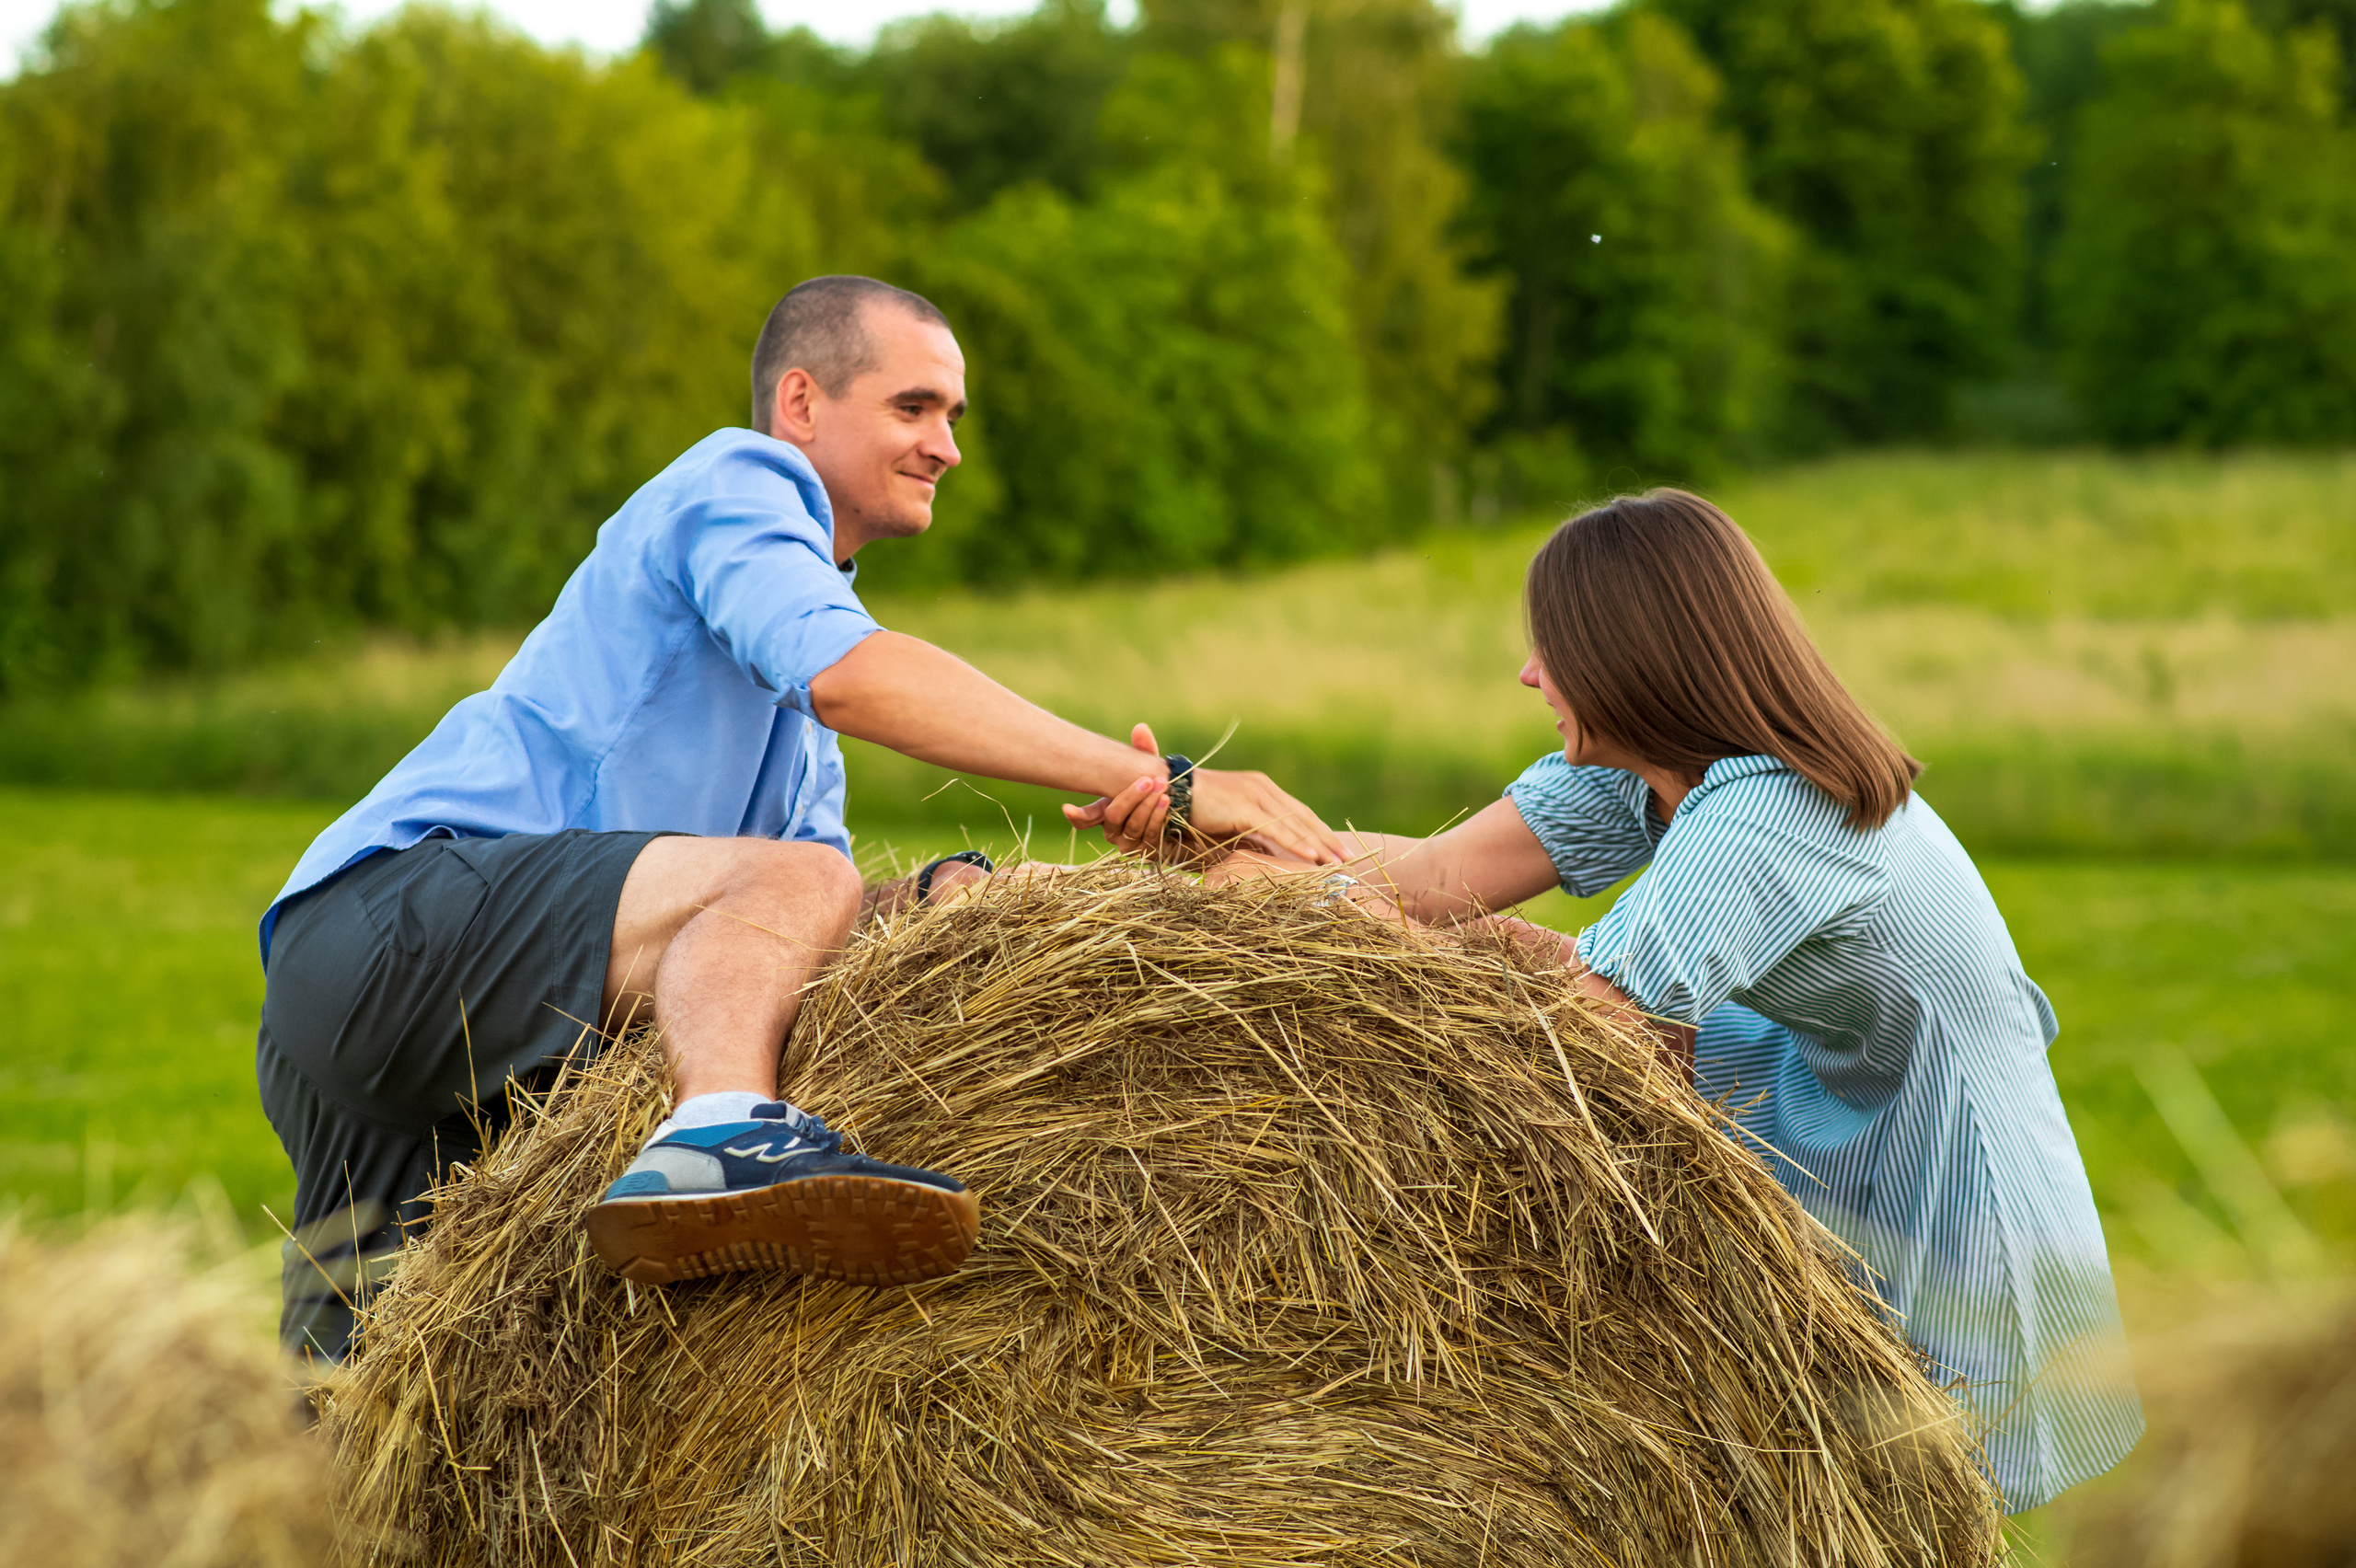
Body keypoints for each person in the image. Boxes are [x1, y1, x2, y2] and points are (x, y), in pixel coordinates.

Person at [260, 275, 1344, 1363]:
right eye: (913, 407)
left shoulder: (795, 700)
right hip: (391, 922)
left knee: (376, 1408)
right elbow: (852, 686)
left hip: (432, 1036)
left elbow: (801, 922)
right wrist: (1172, 779)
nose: (946, 446)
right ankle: (719, 1136)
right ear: (801, 404)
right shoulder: (733, 481)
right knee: (794, 881)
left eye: (953, 418)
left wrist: (979, 897)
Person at [1102, 489, 2142, 1513]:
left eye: (1549, 649)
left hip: (1944, 1178)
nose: (1527, 673)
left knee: (1907, 1492)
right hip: (1831, 1114)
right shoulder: (1653, 774)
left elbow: (1586, 1028)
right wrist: (1218, 836)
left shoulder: (1775, 812)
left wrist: (1307, 906)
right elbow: (1425, 881)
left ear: (1627, 656)